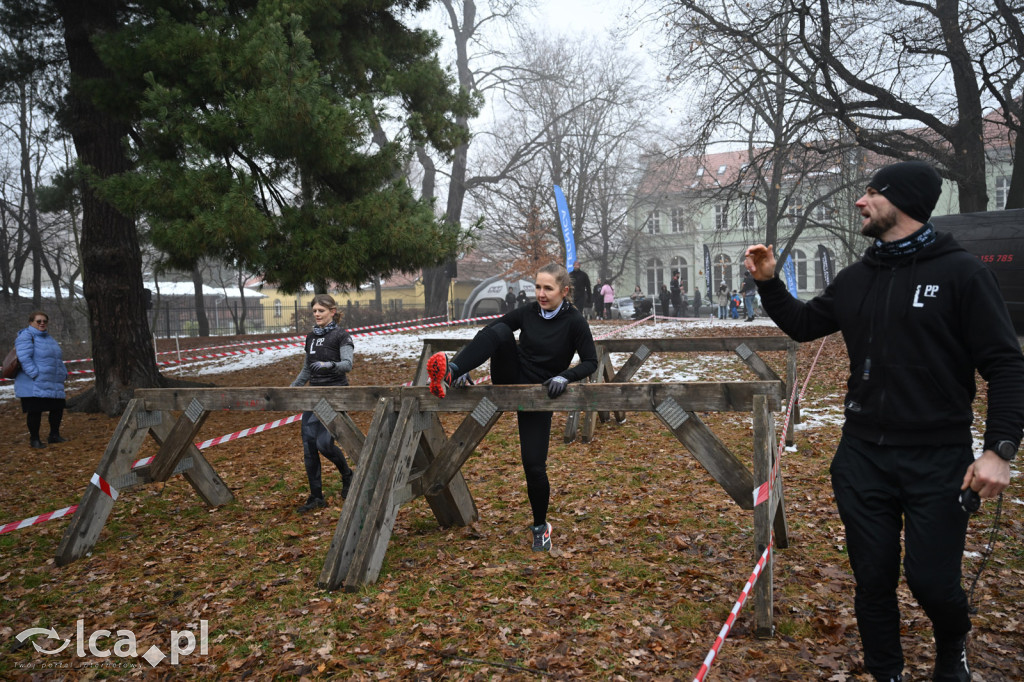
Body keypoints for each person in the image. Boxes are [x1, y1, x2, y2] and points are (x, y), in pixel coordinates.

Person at [743, 161, 1024, 682]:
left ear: (905, 202)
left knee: (932, 581)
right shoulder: (857, 278)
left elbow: (1006, 365)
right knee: (872, 578)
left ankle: (952, 646)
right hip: (862, 456)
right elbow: (805, 325)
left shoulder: (962, 273)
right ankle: (885, 672)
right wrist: (769, 283)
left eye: (872, 192)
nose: (860, 201)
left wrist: (999, 449)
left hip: (937, 457)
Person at [425, 262, 598, 552]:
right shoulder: (529, 312)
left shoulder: (575, 321)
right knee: (501, 330)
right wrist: (465, 365)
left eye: (548, 288)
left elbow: (591, 361)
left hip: (539, 392)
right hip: (510, 375)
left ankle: (541, 527)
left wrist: (565, 377)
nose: (541, 294)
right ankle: (451, 372)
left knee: (534, 465)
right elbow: (490, 333)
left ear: (564, 291)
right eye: (538, 287)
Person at [291, 294, 355, 513]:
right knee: (309, 447)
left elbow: (347, 364)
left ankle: (347, 475)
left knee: (324, 444)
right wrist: (293, 388)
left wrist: (329, 365)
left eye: (321, 310)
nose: (317, 314)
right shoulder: (310, 337)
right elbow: (307, 368)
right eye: (314, 311)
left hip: (334, 396)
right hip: (313, 396)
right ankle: (316, 496)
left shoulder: (341, 336)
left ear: (332, 312)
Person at [14, 311, 68, 449]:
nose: (42, 323)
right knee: (35, 411)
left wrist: (63, 373)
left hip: (52, 381)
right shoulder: (26, 336)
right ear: (31, 322)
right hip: (34, 383)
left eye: (44, 321)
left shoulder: (49, 339)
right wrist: (34, 374)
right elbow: (24, 358)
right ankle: (35, 439)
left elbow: (57, 359)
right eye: (38, 321)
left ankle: (54, 435)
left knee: (57, 408)